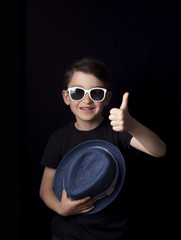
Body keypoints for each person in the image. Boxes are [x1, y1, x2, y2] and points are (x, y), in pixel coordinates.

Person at [39, 56, 166, 240]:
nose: (87, 100)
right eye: (77, 92)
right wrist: (61, 209)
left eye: (96, 93)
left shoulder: (117, 132)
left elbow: (159, 150)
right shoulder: (59, 139)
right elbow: (45, 189)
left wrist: (131, 125)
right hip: (66, 234)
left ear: (107, 99)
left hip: (112, 233)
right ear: (66, 97)